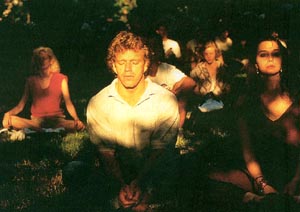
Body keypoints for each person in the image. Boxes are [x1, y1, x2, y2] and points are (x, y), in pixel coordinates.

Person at [86, 31, 179, 211]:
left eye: (134, 62)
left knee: (185, 167)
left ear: (145, 65)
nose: (128, 69)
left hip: (155, 167)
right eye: (122, 62)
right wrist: (122, 184)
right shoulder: (98, 103)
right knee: (75, 171)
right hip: (117, 170)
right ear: (113, 66)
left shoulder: (165, 99)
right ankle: (125, 198)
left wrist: (140, 182)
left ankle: (145, 198)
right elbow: (106, 154)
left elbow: (161, 152)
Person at [208, 34, 300, 211]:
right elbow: (248, 153)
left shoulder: (297, 99)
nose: (270, 59)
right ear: (255, 62)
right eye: (263, 54)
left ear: (283, 60)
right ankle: (258, 200)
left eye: (276, 54)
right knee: (210, 179)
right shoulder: (247, 102)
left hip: (296, 172)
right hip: (261, 174)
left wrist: (296, 180)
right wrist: (263, 185)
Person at [2, 47, 85, 132]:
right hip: (36, 121)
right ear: (35, 62)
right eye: (38, 59)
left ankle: (41, 130)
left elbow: (68, 103)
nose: (41, 61)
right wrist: (8, 114)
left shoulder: (61, 79)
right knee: (10, 121)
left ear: (51, 60)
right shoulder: (31, 81)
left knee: (78, 125)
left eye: (44, 58)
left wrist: (76, 118)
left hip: (57, 121)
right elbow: (20, 106)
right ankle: (46, 130)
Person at [147, 35, 196, 132]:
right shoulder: (140, 71)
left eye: (156, 51)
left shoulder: (166, 68)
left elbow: (191, 82)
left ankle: (177, 130)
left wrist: (174, 91)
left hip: (166, 112)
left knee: (181, 96)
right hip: (148, 112)